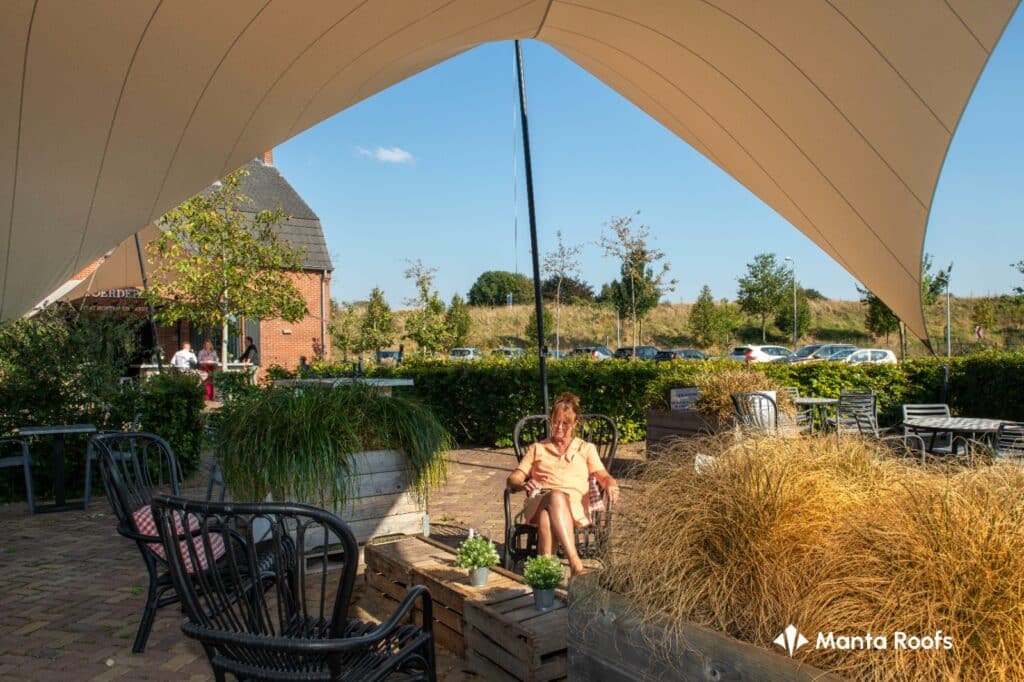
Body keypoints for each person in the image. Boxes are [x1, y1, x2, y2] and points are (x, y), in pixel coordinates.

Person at [506, 392, 621, 577]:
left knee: (547, 516)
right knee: (555, 496)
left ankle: (545, 574)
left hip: (574, 507)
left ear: (575, 424)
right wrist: (521, 484)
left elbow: (603, 475)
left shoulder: (585, 448)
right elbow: (513, 479)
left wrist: (610, 483)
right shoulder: (538, 448)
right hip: (538, 500)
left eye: (565, 424)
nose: (559, 427)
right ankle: (575, 563)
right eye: (555, 422)